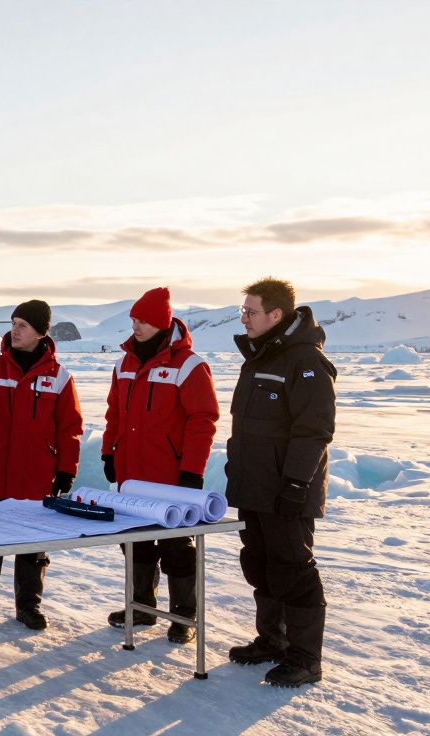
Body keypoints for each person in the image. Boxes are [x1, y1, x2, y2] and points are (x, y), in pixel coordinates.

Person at [225, 277, 335, 687]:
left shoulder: (304, 361)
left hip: (287, 490)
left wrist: (296, 484)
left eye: (251, 312)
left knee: (294, 570)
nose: (245, 319)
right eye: (243, 311)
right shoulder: (261, 357)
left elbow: (314, 430)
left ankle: (306, 658)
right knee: (260, 564)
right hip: (255, 486)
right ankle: (272, 641)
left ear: (276, 315)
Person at [0, 299, 83, 632]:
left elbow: (70, 428)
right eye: (13, 323)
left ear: (41, 332)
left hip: (35, 477)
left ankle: (29, 607)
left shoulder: (59, 378)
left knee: (32, 548)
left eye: (23, 325)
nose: (15, 330)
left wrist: (66, 469)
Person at [101, 287, 219, 643]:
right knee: (134, 541)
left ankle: (184, 616)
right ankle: (141, 606)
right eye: (134, 320)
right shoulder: (124, 363)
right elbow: (114, 415)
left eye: (144, 321)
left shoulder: (188, 365)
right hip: (132, 473)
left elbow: (203, 420)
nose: (136, 327)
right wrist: (109, 452)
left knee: (176, 546)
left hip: (170, 476)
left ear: (163, 323)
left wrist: (193, 470)